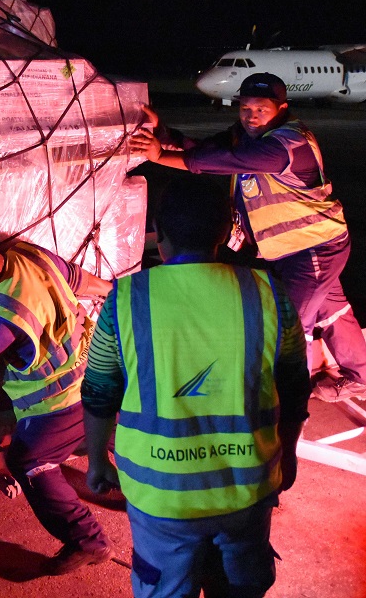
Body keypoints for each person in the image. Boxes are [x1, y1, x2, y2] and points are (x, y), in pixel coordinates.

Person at [83, 174, 311, 597]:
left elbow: (99, 391)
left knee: (165, 587)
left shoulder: (125, 299)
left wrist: (97, 462)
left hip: (160, 496)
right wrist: (288, 456)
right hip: (248, 488)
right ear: (226, 233)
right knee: (241, 584)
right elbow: (296, 388)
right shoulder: (269, 295)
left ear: (160, 234)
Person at [128, 72, 366, 402]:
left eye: (261, 109)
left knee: (288, 327)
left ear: (282, 108)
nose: (251, 116)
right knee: (333, 312)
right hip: (300, 247)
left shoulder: (287, 144)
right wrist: (164, 134)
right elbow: (207, 148)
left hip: (312, 248)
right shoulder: (246, 135)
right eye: (245, 108)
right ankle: (361, 380)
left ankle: (282, 407)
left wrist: (161, 157)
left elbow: (225, 161)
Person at [0, 232, 114, 575]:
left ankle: (87, 540)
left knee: (28, 460)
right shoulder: (30, 254)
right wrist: (115, 290)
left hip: (59, 401)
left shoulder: (2, 313)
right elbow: (77, 277)